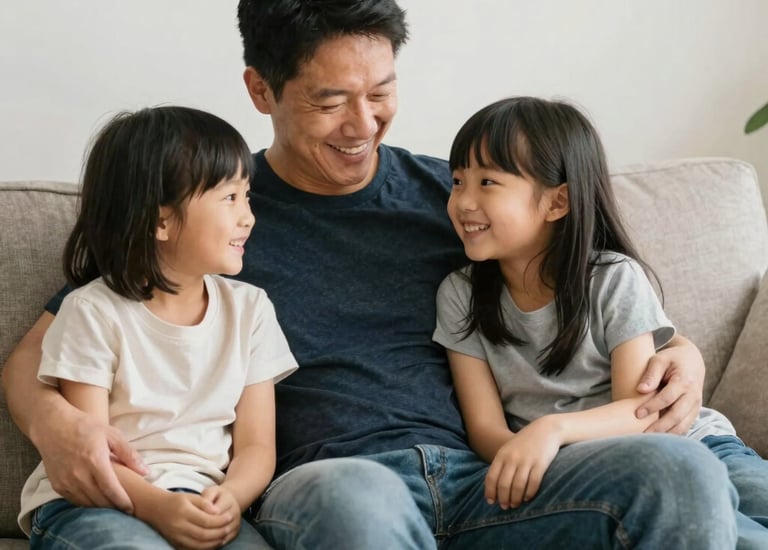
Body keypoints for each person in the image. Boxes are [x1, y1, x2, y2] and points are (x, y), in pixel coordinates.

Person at [0, 1, 738, 548]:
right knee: (355, 495)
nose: (363, 124)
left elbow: (589, 276)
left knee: (680, 473)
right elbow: (52, 342)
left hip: (482, 482)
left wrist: (683, 352)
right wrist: (56, 424)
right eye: (330, 100)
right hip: (330, 484)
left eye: (380, 91)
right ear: (261, 90)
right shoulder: (211, 216)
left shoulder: (460, 200)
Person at [434, 96, 768, 548]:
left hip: (691, 442)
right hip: (595, 475)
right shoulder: (461, 294)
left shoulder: (612, 279)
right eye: (458, 181)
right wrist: (527, 453)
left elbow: (640, 413)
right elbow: (485, 429)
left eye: (487, 182)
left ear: (558, 202)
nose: (463, 201)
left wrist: (550, 430)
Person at [16, 106, 297, 549]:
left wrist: (230, 499)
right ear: (160, 220)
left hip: (202, 502)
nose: (248, 217)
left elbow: (257, 446)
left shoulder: (251, 310)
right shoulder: (92, 311)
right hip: (96, 502)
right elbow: (90, 452)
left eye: (247, 196)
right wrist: (159, 507)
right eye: (229, 198)